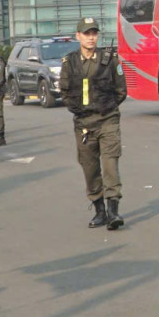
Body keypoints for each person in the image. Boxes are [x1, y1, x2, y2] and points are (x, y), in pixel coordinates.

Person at [57, 18, 126, 230]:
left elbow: (121, 90)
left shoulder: (109, 60)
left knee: (110, 165)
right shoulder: (70, 63)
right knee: (89, 167)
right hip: (84, 123)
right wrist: (79, 111)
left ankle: (113, 211)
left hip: (107, 120)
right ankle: (100, 210)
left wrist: (106, 107)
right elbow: (65, 92)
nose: (91, 37)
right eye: (86, 34)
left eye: (94, 33)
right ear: (78, 36)